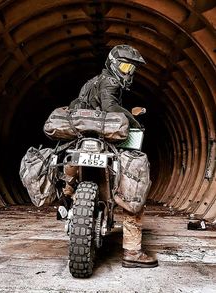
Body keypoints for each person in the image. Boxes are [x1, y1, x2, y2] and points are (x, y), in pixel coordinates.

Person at [60, 44, 158, 268]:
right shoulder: (110, 83)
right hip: (104, 143)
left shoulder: (89, 83)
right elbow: (111, 107)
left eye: (131, 69)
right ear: (113, 64)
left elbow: (76, 106)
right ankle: (133, 252)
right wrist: (134, 122)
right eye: (125, 66)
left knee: (68, 161)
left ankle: (68, 191)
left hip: (82, 141)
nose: (128, 72)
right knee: (133, 188)